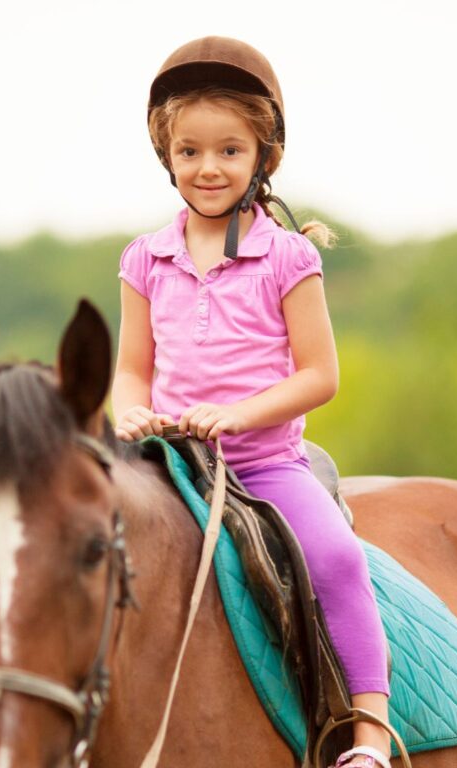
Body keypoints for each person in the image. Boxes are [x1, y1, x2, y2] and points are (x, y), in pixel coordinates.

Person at [111, 36, 393, 768]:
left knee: (334, 557)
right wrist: (128, 413)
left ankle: (368, 730)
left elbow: (319, 375)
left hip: (263, 466)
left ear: (262, 157)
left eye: (230, 151)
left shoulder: (288, 257)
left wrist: (242, 413)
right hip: (166, 464)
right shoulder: (144, 259)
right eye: (191, 151)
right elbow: (130, 370)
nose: (209, 168)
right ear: (167, 157)